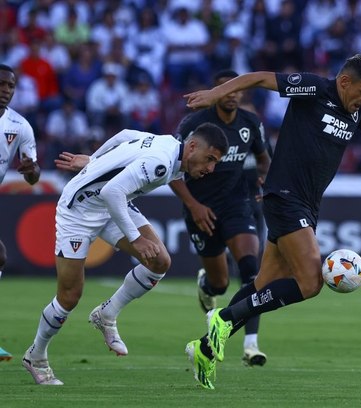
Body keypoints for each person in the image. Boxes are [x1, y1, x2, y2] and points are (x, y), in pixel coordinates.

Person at [182, 53, 361, 390]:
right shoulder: (314, 89)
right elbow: (259, 78)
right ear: (344, 82)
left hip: (306, 204)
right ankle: (223, 318)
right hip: (285, 197)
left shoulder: (360, 110)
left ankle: (203, 347)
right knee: (310, 282)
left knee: (262, 286)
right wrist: (216, 94)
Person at [22, 123, 228, 385]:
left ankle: (106, 314)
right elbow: (112, 191)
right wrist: (136, 239)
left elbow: (126, 135)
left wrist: (96, 161)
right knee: (69, 296)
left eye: (215, 163)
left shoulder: (168, 144)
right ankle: (36, 355)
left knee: (160, 261)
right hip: (80, 210)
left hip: (111, 206)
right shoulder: (161, 162)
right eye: (210, 159)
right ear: (193, 146)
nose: (210, 168)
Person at [170, 69, 271, 366]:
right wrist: (193, 205)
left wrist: (264, 180)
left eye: (236, 89)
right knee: (221, 284)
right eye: (224, 89)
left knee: (252, 270)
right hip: (200, 208)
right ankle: (207, 288)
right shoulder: (195, 124)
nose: (231, 94)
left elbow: (264, 160)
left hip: (237, 203)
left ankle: (250, 345)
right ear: (215, 93)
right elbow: (172, 168)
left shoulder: (250, 123)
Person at [0, 64, 41, 363]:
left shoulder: (19, 126)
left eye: (11, 86)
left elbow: (32, 176)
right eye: (1, 85)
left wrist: (32, 170)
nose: (6, 91)